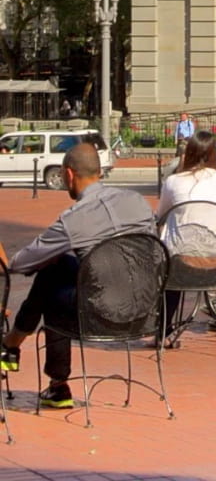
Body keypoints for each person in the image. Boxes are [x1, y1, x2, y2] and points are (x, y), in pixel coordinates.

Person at [0, 142, 156, 409]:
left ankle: (50, 377)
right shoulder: (138, 202)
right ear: (99, 171)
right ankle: (15, 348)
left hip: (101, 314)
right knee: (62, 266)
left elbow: (22, 263)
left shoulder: (74, 218)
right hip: (146, 310)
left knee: (51, 283)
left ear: (69, 174)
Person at [156, 130, 216, 337]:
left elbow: (160, 215)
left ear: (189, 154)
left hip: (180, 266)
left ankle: (163, 330)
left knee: (169, 262)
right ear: (214, 154)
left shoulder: (173, 181)